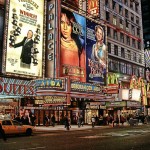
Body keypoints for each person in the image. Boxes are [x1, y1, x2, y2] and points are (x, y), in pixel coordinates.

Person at [60, 8, 86, 82]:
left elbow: (83, 72)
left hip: (76, 86)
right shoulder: (55, 44)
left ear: (72, 27)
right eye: (62, 22)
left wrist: (82, 87)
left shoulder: (79, 46)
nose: (65, 28)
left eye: (68, 24)